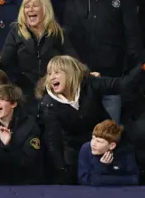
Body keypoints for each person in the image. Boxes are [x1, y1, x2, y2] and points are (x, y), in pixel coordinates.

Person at [39, 0, 143, 122]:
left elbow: (133, 38)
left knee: (109, 132)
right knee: (80, 133)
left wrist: (132, 74)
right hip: (77, 80)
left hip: (110, 81)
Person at [37, 55, 144, 184]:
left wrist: (142, 67)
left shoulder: (90, 83)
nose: (51, 77)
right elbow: (53, 141)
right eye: (49, 74)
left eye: (57, 72)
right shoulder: (49, 104)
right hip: (75, 153)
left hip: (108, 144)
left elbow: (121, 85)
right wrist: (62, 169)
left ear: (70, 73)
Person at [0, 0, 78, 112]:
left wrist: (87, 73)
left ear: (45, 9)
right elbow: (4, 59)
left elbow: (73, 60)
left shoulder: (57, 33)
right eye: (27, 6)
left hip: (51, 92)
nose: (30, 10)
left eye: (35, 6)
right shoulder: (17, 32)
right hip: (24, 94)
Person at [0, 85, 44, 185]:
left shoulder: (30, 126)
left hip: (25, 186)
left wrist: (8, 146)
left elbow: (29, 162)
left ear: (13, 103)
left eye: (1, 99)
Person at [78, 119, 139, 186]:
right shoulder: (86, 148)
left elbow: (134, 179)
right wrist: (101, 167)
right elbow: (84, 179)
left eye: (99, 141)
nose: (93, 144)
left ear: (112, 145)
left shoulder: (126, 151)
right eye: (93, 138)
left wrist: (103, 175)